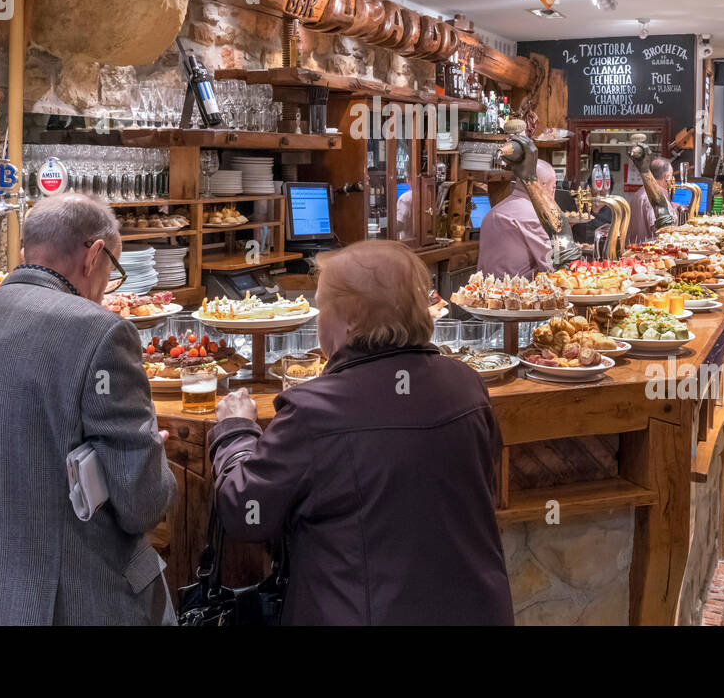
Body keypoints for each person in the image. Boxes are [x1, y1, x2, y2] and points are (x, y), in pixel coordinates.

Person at [208, 240, 514, 625]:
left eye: (321, 306)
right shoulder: (467, 385)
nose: (318, 318)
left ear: (350, 318)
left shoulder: (313, 410)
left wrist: (235, 430)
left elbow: (246, 513)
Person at [0, 193, 176, 625]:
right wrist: (151, 457)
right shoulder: (101, 334)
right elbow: (142, 504)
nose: (108, 288)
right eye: (113, 272)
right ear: (94, 255)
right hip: (73, 604)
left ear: (23, 253)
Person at [477, 159, 556, 278]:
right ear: (542, 185)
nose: (553, 194)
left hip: (483, 291)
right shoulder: (534, 216)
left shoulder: (492, 213)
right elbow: (551, 266)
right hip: (518, 293)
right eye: (553, 187)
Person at [626, 156, 674, 246]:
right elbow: (662, 231)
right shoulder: (656, 197)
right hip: (650, 252)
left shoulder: (638, 193)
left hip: (635, 249)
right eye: (671, 176)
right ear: (667, 177)